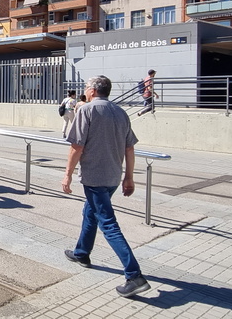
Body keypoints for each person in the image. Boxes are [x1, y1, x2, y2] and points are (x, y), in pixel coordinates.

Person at [61, 75, 151, 298]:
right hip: (112, 177)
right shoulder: (120, 112)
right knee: (90, 212)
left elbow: (76, 146)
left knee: (108, 224)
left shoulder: (87, 110)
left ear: (92, 90)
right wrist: (128, 177)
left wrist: (67, 175)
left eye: (85, 87)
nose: (84, 90)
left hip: (94, 177)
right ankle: (82, 253)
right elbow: (130, 148)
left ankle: (134, 275)